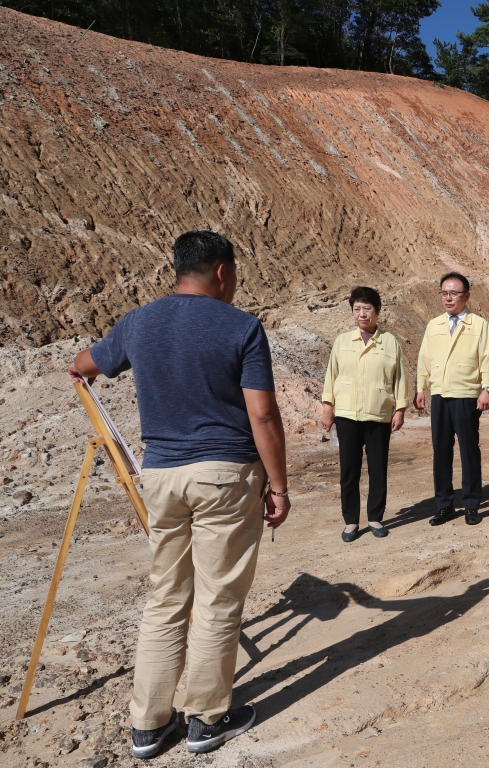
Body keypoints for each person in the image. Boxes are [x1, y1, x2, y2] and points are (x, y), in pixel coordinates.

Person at [68, 231, 289, 758]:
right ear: (220, 272)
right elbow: (261, 413)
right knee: (217, 599)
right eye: (233, 274)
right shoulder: (242, 326)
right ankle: (207, 719)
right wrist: (278, 484)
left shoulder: (139, 321)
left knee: (165, 598)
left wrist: (81, 370)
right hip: (223, 475)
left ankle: (148, 725)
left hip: (161, 477)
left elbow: (83, 364)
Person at [320, 286, 407, 542]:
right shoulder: (342, 342)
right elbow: (331, 376)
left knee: (378, 469)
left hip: (378, 414)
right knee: (349, 470)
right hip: (347, 414)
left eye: (367, 308)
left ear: (377, 311)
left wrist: (400, 409)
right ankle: (351, 521)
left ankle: (375, 517)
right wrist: (328, 408)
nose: (362, 313)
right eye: (357, 308)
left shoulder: (390, 342)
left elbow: (400, 378)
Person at [415, 272, 489, 527]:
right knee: (441, 452)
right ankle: (445, 505)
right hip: (440, 394)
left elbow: (488, 358)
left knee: (469, 451)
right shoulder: (434, 325)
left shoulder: (479, 324)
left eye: (454, 293)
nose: (448, 298)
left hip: (466, 395)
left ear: (467, 296)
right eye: (444, 293)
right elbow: (424, 359)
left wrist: (487, 389)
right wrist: (421, 388)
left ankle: (472, 504)